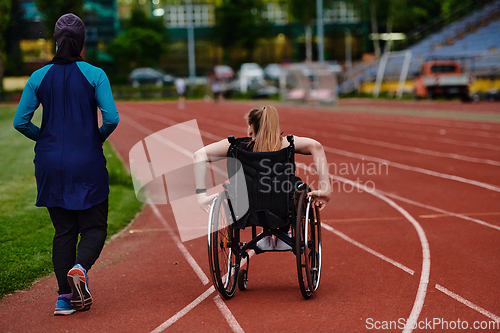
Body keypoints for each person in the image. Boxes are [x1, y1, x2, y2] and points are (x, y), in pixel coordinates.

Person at [12, 13, 119, 316]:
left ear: (55, 41)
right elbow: (111, 118)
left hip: (48, 162)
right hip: (86, 159)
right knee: (95, 225)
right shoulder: (95, 74)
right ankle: (80, 268)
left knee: (63, 231)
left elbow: (21, 122)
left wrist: (44, 137)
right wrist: (95, 137)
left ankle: (63, 299)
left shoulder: (38, 77)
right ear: (82, 42)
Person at [193, 105, 330, 250]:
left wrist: (201, 196)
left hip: (245, 209)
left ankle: (268, 236)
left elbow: (199, 155)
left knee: (252, 189)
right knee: (295, 187)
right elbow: (316, 146)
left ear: (250, 127)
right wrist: (326, 190)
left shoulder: (235, 146)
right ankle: (282, 233)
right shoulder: (286, 143)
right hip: (282, 206)